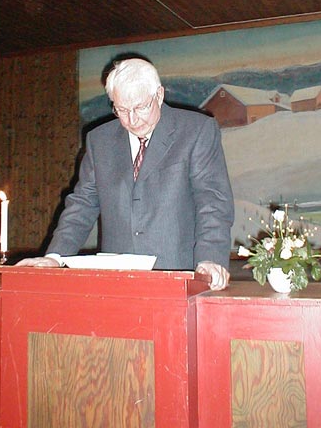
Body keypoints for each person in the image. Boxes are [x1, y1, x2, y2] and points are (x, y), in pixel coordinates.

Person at [18, 57, 235, 290]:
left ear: (159, 95)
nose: (132, 120)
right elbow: (82, 204)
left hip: (180, 277)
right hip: (116, 283)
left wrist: (211, 259)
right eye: (121, 110)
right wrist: (55, 257)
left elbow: (213, 201)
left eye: (140, 107)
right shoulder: (99, 140)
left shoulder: (196, 130)